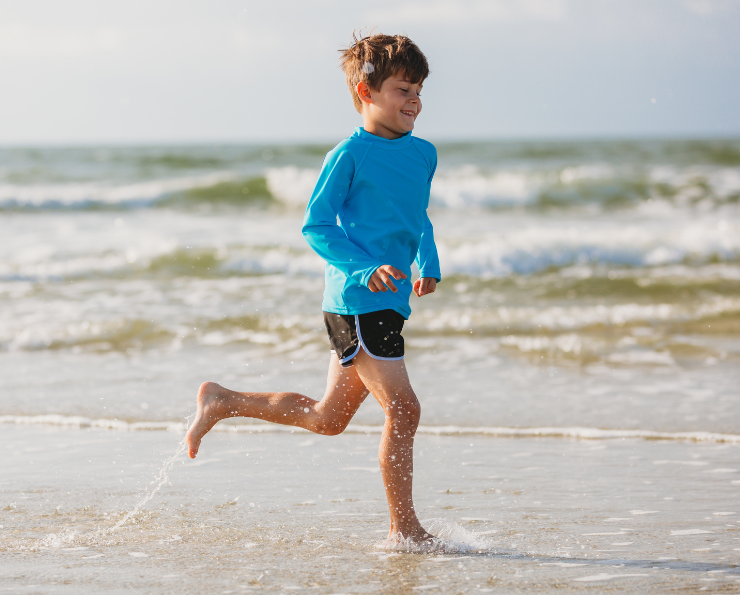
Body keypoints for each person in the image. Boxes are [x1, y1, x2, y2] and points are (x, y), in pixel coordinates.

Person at [186, 32, 441, 547]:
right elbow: (317, 227)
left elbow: (418, 217)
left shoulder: (423, 154)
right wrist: (364, 268)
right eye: (402, 90)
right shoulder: (349, 155)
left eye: (418, 91)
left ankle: (222, 400)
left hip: (389, 300)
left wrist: (427, 261)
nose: (414, 102)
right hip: (356, 299)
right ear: (366, 92)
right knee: (404, 409)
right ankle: (405, 530)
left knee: (328, 419)